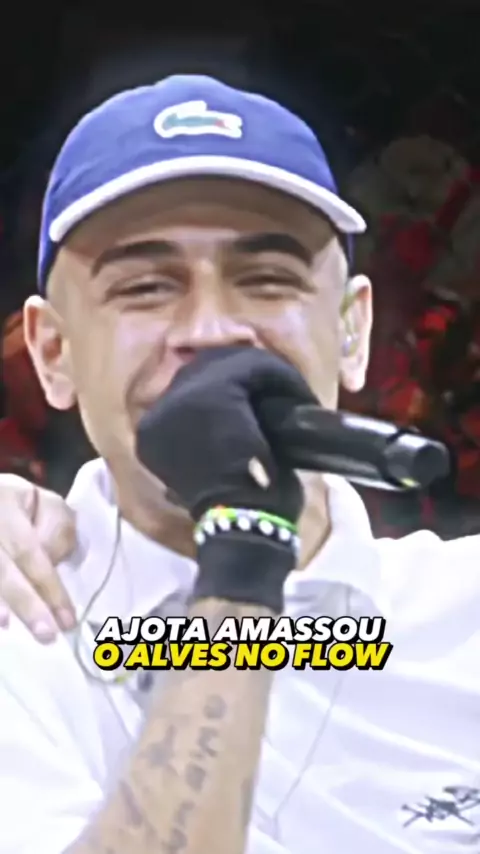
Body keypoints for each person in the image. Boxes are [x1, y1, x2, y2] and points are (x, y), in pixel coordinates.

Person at [0, 74, 479, 854]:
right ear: (53, 353)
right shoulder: (17, 641)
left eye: (267, 280)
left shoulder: (466, 613)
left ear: (353, 332)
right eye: (145, 287)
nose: (213, 330)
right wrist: (243, 549)